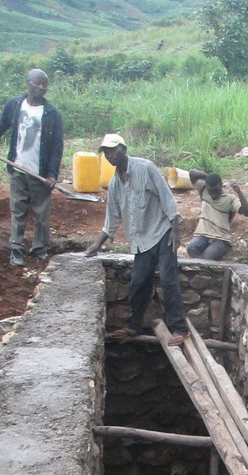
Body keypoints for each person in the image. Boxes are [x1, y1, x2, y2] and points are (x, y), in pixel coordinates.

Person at [85, 134, 189, 346]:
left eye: (113, 150)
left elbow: (167, 198)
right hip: (141, 240)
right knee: (139, 282)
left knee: (169, 280)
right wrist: (97, 244)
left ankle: (179, 328)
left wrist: (175, 230)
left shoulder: (146, 168)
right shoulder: (114, 183)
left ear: (123, 148)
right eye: (106, 152)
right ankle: (133, 325)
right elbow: (112, 218)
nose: (110, 155)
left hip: (162, 233)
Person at [0, 68, 63, 267]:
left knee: (42, 213)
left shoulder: (52, 114)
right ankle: (16, 249)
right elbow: (0, 126)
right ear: (28, 83)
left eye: (44, 84)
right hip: (17, 169)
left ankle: (39, 248)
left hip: (39, 174)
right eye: (37, 83)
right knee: (18, 210)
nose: (41, 87)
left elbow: (57, 147)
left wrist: (52, 174)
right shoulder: (15, 106)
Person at [186, 170, 248, 261]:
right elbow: (192, 173)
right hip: (202, 235)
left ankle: (202, 270)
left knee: (206, 257)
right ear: (207, 187)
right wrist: (209, 176)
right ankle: (204, 270)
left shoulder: (230, 199)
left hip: (221, 239)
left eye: (216, 190)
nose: (214, 194)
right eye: (211, 191)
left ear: (221, 185)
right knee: (191, 248)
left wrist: (239, 192)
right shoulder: (203, 189)